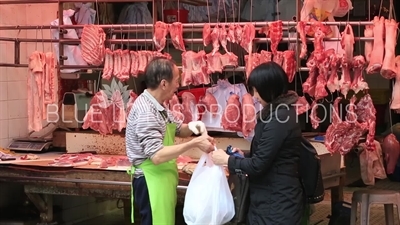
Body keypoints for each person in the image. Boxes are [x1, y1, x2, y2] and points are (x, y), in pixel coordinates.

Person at [211, 62, 305, 225]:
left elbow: (258, 165)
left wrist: (228, 161)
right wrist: (243, 156)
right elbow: (270, 155)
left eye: (255, 90)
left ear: (269, 89)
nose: (253, 96)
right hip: (270, 200)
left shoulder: (279, 119)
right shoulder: (278, 114)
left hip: (277, 204)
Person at [125, 57, 215, 225]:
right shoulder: (146, 111)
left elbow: (178, 128)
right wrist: (194, 143)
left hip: (161, 179)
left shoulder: (158, 106)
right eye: (176, 80)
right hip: (151, 182)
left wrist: (194, 126)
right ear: (164, 83)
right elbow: (157, 155)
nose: (178, 85)